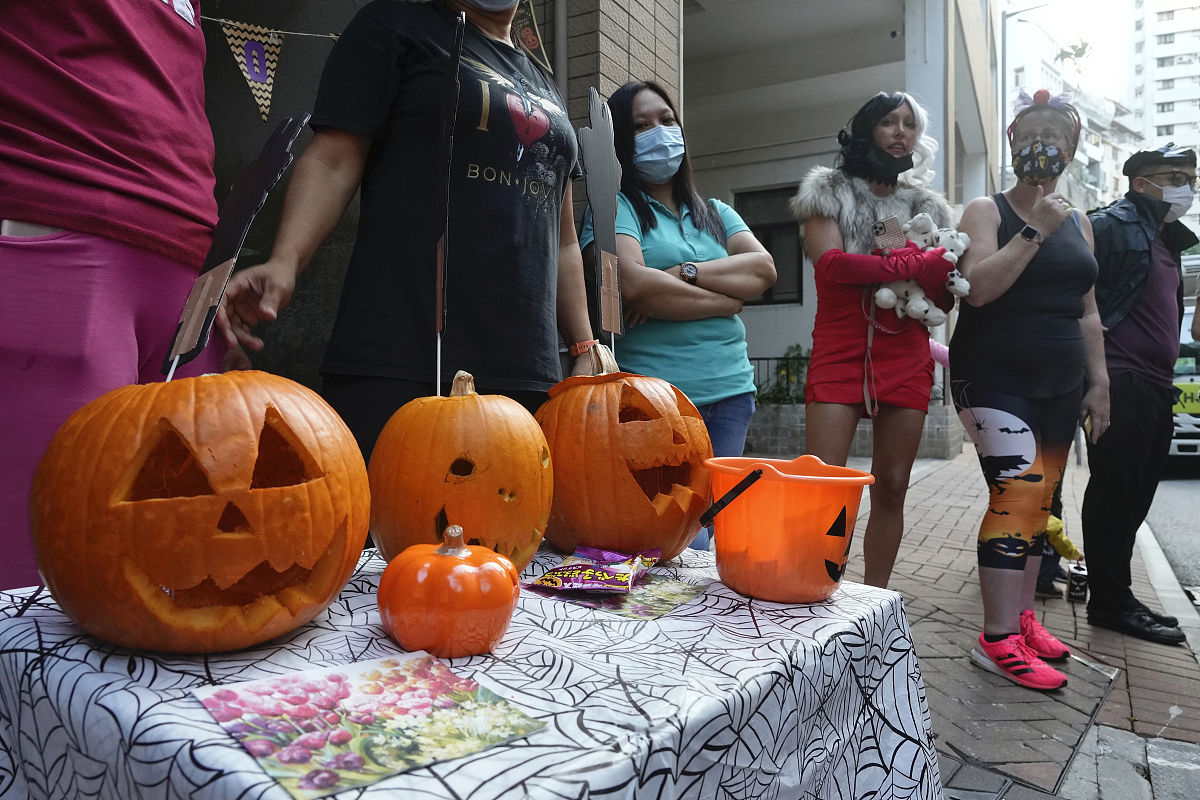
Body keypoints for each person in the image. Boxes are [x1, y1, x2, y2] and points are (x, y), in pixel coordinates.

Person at [217, 0, 594, 463]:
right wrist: (285, 262)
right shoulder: (395, 25)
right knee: (391, 530)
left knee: (512, 531)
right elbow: (334, 159)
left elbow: (563, 239)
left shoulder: (545, 83)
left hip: (526, 368)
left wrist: (584, 345)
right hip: (403, 352)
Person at [0, 1, 226, 591]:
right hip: (54, 222)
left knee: (190, 572)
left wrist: (206, 262)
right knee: (37, 581)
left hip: (186, 260)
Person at [950, 89, 1109, 691]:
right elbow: (979, 289)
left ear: (1071, 151)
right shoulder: (985, 211)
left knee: (1040, 506)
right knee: (1017, 494)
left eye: (1058, 136)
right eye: (1033, 132)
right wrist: (1035, 229)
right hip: (993, 373)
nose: (1045, 144)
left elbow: (1088, 311)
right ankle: (995, 641)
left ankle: (1019, 622)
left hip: (1061, 379)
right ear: (1014, 141)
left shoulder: (1083, 222)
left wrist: (1101, 385)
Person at [579, 81, 777, 550]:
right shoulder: (614, 208)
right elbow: (632, 284)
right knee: (660, 534)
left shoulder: (716, 212)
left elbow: (764, 270)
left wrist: (685, 272)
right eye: (642, 125)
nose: (659, 132)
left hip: (730, 393)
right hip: (654, 402)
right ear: (623, 143)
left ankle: (698, 626)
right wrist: (726, 300)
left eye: (667, 121)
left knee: (712, 529)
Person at [790, 91, 957, 587]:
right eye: (889, 121)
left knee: (894, 487)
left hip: (905, 354)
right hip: (840, 352)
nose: (901, 131)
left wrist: (929, 272)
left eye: (909, 123)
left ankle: (874, 600)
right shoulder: (829, 190)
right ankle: (816, 590)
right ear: (868, 130)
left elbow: (943, 301)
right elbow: (833, 266)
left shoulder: (924, 208)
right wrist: (908, 262)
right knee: (825, 486)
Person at [1080, 144, 1197, 646]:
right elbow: (1076, 296)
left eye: (1191, 178)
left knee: (1135, 496)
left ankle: (1117, 593)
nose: (1186, 187)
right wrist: (1096, 381)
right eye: (1174, 176)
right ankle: (1109, 601)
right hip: (1121, 380)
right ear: (1140, 181)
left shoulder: (1167, 239)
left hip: (1156, 385)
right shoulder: (1111, 224)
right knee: (1113, 493)